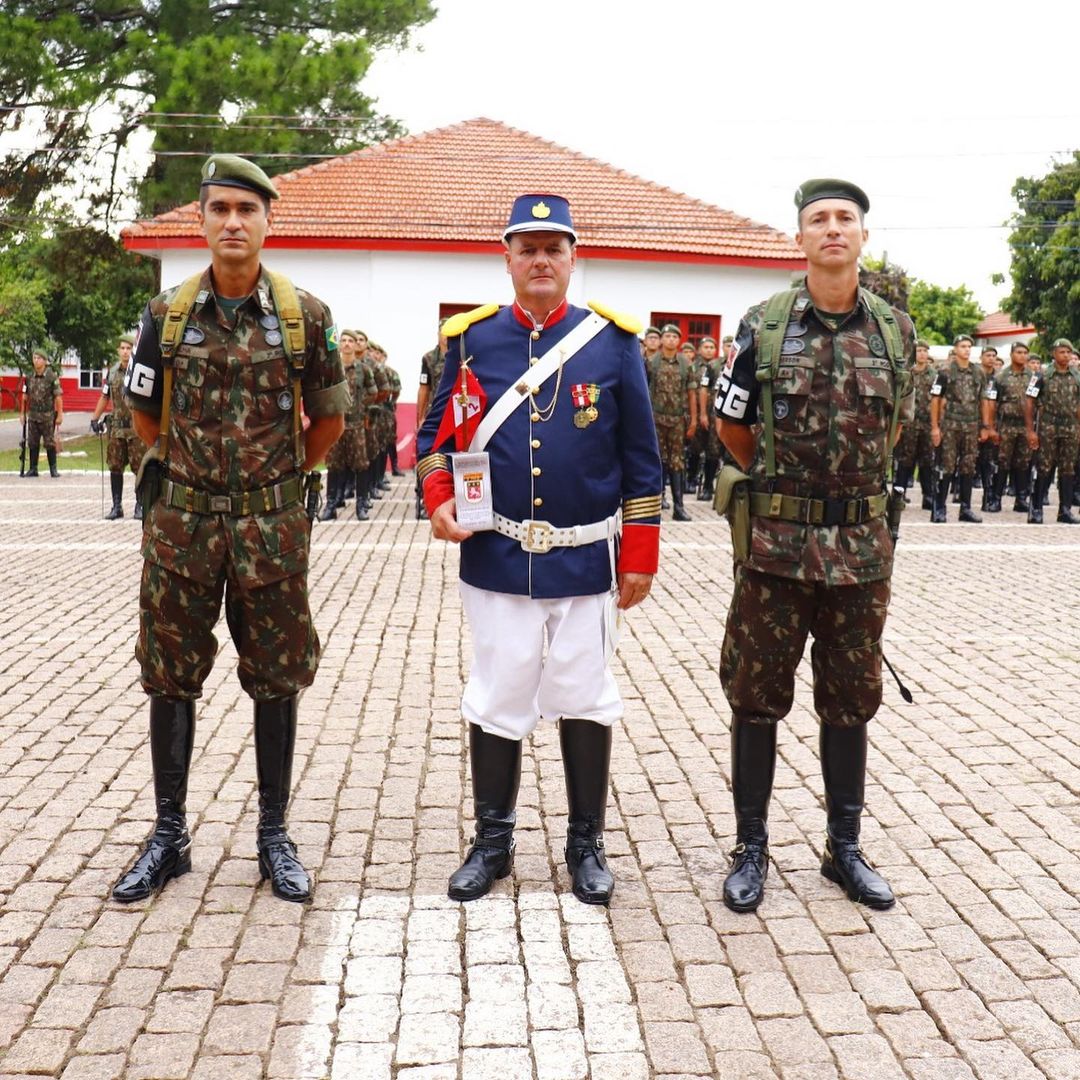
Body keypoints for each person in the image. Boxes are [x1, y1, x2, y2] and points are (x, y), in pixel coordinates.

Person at [113, 154, 348, 905]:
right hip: (181, 530)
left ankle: (274, 834)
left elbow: (331, 419)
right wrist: (183, 473)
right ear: (203, 220)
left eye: (247, 210)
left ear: (268, 221)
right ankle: (170, 833)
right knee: (169, 672)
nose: (233, 223)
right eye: (219, 210)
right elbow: (145, 415)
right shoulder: (165, 316)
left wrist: (275, 485)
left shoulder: (303, 316)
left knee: (276, 677)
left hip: (270, 532)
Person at [416, 193, 662, 906]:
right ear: (508, 259)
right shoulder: (470, 341)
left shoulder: (613, 343)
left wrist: (640, 552)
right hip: (496, 557)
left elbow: (641, 461)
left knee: (585, 696)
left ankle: (585, 845)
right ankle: (492, 843)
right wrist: (438, 504)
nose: (542, 259)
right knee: (498, 693)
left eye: (555, 247)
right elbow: (438, 443)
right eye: (528, 247)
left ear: (572, 257)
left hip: (586, 559)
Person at [714, 178, 914, 913]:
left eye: (845, 219)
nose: (833, 230)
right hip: (776, 547)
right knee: (756, 696)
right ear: (799, 238)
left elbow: (894, 430)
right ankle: (751, 847)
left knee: (851, 700)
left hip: (860, 552)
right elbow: (733, 430)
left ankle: (844, 846)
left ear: (863, 236)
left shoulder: (895, 330)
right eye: (818, 220)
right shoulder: (763, 326)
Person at [929, 334, 988, 523]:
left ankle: (966, 508)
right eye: (963, 346)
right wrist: (935, 428)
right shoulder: (944, 371)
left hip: (971, 425)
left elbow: (984, 400)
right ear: (955, 349)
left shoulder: (978, 373)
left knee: (968, 466)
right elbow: (936, 400)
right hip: (951, 425)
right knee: (946, 466)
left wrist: (985, 426)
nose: (967, 349)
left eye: (969, 346)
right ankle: (939, 508)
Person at [1024, 337, 1080, 524]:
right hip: (1048, 427)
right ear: (1053, 354)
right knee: (1044, 467)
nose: (1066, 355)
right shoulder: (1041, 376)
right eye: (1062, 352)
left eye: (1068, 352)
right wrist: (1031, 430)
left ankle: (1065, 510)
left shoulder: (1077, 376)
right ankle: (1036, 509)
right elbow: (1029, 403)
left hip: (1070, 427)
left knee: (1068, 469)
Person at [91, 334, 146, 519]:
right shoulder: (112, 372)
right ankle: (117, 506)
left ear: (133, 350)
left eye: (128, 348)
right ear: (117, 351)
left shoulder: (139, 370)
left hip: (136, 428)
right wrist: (95, 418)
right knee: (115, 466)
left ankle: (140, 505)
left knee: (140, 467)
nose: (125, 352)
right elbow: (105, 396)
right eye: (122, 348)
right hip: (116, 428)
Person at [647, 323, 697, 521]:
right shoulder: (652, 362)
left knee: (677, 462)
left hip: (677, 420)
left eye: (674, 337)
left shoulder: (685, 363)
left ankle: (679, 507)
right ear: (661, 340)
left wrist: (693, 420)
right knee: (657, 461)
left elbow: (691, 392)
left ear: (679, 340)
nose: (670, 340)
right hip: (655, 419)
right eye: (666, 336)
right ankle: (655, 503)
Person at [319, 329, 370, 521]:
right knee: (334, 464)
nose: (347, 343)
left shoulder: (363, 369)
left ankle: (361, 505)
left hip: (356, 425)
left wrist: (359, 407)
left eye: (351, 340)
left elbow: (373, 392)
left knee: (361, 465)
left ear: (355, 345)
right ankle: (331, 505)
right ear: (339, 344)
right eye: (344, 340)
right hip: (335, 424)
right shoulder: (332, 367)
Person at [985, 342, 1033, 513]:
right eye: (1019, 352)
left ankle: (1021, 499)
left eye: (1025, 353)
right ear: (1012, 355)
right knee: (1002, 462)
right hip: (1006, 425)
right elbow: (991, 402)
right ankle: (995, 499)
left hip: (1025, 426)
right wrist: (990, 427)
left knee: (1023, 463)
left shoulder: (1033, 377)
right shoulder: (1000, 377)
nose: (1023, 356)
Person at [893, 340, 935, 510]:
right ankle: (899, 496)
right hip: (909, 424)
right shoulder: (907, 373)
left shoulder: (934, 375)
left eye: (925, 351)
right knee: (905, 460)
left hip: (926, 423)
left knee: (926, 461)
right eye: (919, 351)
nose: (922, 354)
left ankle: (929, 496)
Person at [20, 348, 63, 477]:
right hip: (33, 415)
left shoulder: (51, 376)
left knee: (49, 443)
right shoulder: (29, 376)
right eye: (34, 358)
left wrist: (60, 415)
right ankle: (33, 468)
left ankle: (53, 469)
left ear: (44, 361)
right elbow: (24, 396)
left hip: (47, 416)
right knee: (32, 442)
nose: (36, 360)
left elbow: (58, 397)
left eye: (39, 358)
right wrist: (22, 413)